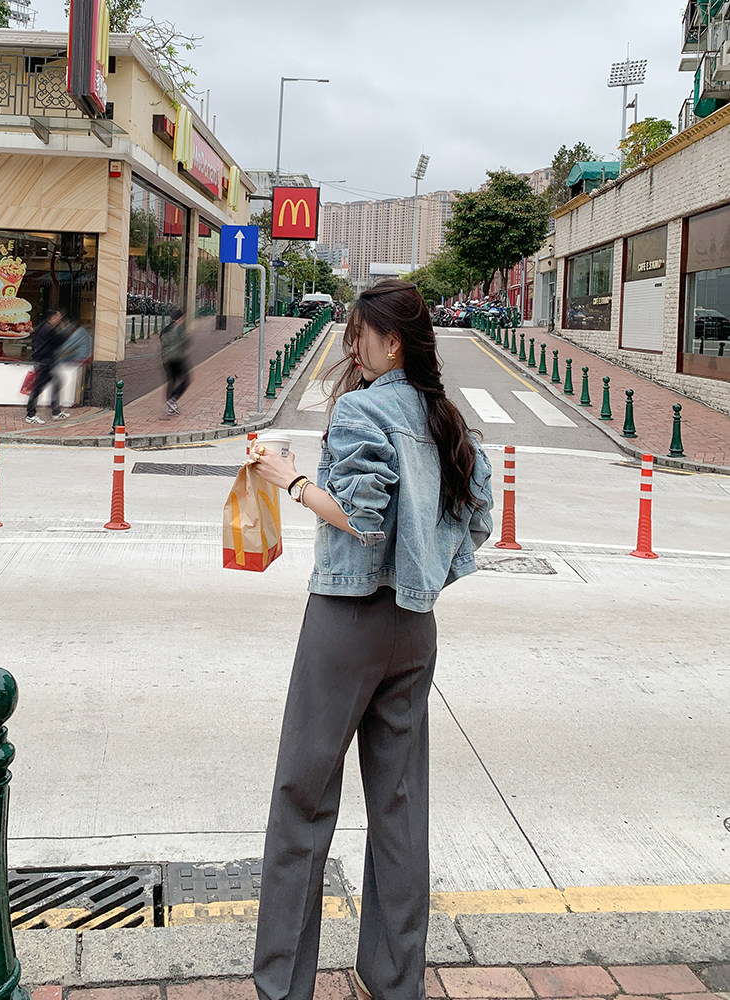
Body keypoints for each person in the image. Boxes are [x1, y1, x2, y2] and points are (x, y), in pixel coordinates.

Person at [249, 279, 493, 1000]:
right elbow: (477, 519)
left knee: (302, 797)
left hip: (346, 619)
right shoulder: (446, 417)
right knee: (399, 804)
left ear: (393, 341)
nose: (351, 345)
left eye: (360, 333)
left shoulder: (362, 410)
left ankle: (283, 986)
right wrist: (426, 571)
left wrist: (290, 479)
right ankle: (393, 980)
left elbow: (361, 518)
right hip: (414, 628)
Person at [25, 307, 70, 424]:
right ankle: (30, 415)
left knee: (56, 382)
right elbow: (59, 341)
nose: (60, 319)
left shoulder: (44, 327)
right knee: (37, 388)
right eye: (58, 316)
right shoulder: (48, 329)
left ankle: (56, 411)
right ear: (53, 317)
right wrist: (63, 329)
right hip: (44, 363)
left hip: (46, 362)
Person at [159, 307, 190, 414]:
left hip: (166, 360)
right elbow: (185, 343)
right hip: (177, 358)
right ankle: (173, 400)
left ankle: (170, 406)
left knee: (171, 381)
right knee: (186, 380)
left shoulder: (164, 330)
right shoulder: (179, 328)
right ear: (179, 318)